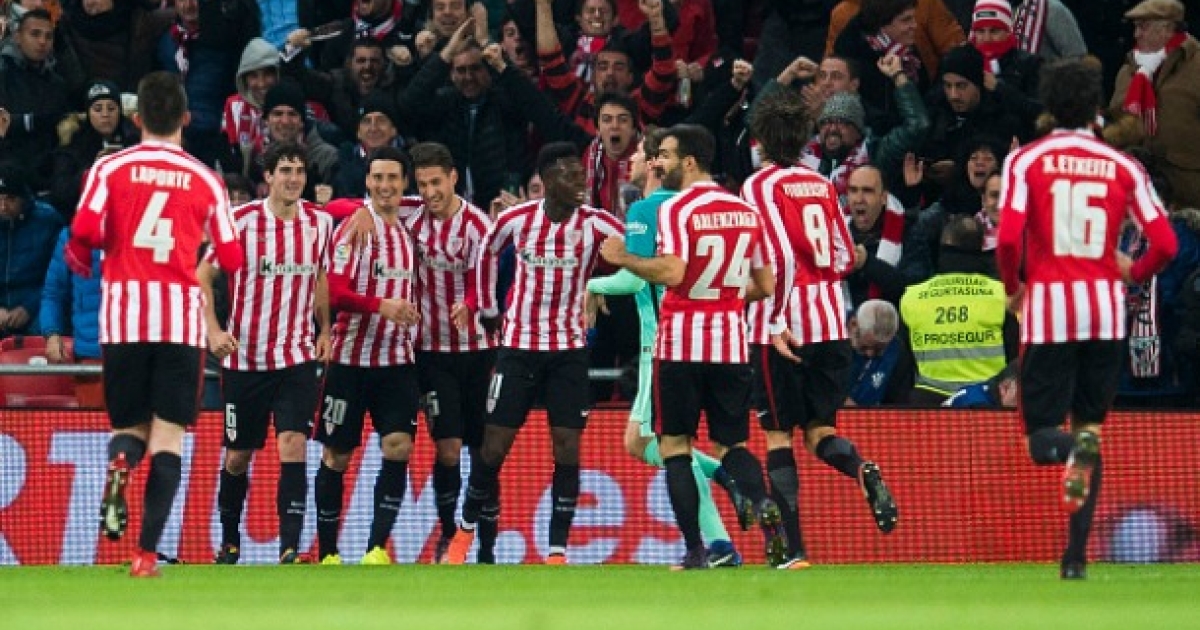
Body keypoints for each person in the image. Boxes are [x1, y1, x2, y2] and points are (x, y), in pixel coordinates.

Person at [995, 58, 1178, 579]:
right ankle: (1075, 559)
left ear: (1050, 107)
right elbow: (1165, 242)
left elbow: (1007, 238)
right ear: (1095, 106)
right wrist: (1134, 271)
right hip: (1106, 313)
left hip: (1051, 312)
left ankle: (1071, 452)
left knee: (1041, 442)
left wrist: (1013, 289)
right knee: (1089, 431)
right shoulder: (1123, 166)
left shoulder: (1026, 160)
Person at [66, 71, 245, 578]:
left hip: (123, 319)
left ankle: (121, 461)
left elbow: (84, 228)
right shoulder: (205, 178)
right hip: (179, 322)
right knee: (168, 438)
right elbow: (233, 257)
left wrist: (90, 249)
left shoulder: (110, 167)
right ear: (186, 117)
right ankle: (145, 555)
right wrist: (198, 247)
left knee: (129, 429)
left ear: (136, 117)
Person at [600, 124, 785, 570]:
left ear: (688, 161)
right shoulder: (745, 211)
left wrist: (623, 258)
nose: (658, 162)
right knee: (732, 446)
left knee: (675, 447)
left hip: (680, 344)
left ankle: (696, 550)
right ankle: (762, 502)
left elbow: (673, 272)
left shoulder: (677, 209)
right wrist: (724, 297)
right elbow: (765, 284)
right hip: (730, 346)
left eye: (665, 155)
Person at [445, 142, 625, 565]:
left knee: (567, 447)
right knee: (493, 447)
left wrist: (600, 285)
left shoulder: (598, 223)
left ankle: (557, 550)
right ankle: (464, 530)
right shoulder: (517, 219)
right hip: (519, 349)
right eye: (569, 174)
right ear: (546, 180)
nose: (580, 181)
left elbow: (639, 250)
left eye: (581, 173)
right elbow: (486, 253)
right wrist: (488, 308)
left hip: (569, 351)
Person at [744, 90, 899, 569]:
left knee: (778, 437)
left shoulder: (759, 185)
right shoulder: (820, 184)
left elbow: (779, 256)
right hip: (830, 321)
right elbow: (845, 255)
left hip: (782, 326)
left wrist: (775, 319)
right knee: (820, 431)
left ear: (762, 138)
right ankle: (860, 467)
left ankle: (793, 550)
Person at [198, 141, 333, 565]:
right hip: (245, 360)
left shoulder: (320, 223)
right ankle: (229, 541)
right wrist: (213, 330)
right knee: (238, 457)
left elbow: (321, 276)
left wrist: (325, 328)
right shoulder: (240, 221)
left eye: (299, 171)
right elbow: (201, 276)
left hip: (296, 358)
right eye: (285, 170)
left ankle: (289, 548)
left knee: (293, 445)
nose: (293, 178)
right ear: (268, 177)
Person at [312, 146, 422, 566]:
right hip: (350, 361)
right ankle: (328, 552)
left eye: (393, 178)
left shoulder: (408, 226)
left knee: (398, 446)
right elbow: (336, 293)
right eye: (377, 178)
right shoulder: (354, 230)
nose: (385, 185)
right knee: (337, 455)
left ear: (404, 183)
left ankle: (376, 548)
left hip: (397, 361)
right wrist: (382, 306)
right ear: (367, 182)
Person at [401, 143, 498, 564]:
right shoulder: (410, 216)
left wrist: (470, 304)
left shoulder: (478, 226)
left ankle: (487, 546)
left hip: (479, 351)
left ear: (454, 177)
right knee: (447, 448)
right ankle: (447, 535)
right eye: (422, 184)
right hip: (432, 352)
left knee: (484, 451)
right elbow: (364, 203)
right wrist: (361, 212)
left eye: (436, 182)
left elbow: (484, 278)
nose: (429, 192)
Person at [899, 215, 1014, 405]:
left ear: (944, 245)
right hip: (987, 401)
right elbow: (1015, 353)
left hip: (928, 401)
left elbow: (904, 363)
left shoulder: (912, 297)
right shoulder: (1002, 295)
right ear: (982, 247)